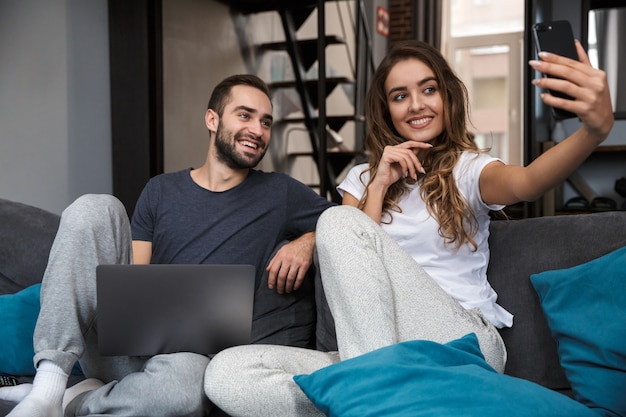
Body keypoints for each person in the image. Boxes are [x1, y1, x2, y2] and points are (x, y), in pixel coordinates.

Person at [203, 39, 614, 416]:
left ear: (447, 97)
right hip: (374, 351)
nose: (417, 105)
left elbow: (528, 182)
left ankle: (371, 398)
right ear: (387, 111)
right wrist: (379, 183)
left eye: (428, 89)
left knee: (335, 219)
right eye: (400, 96)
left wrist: (593, 132)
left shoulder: (468, 169)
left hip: (458, 344)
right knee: (227, 373)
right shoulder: (362, 179)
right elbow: (345, 262)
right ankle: (383, 397)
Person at [0, 74, 334, 417]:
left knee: (183, 393)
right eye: (245, 115)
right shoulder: (160, 190)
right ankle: (47, 386)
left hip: (184, 365)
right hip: (128, 346)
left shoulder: (281, 194)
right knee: (95, 208)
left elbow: (347, 222)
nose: (258, 130)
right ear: (212, 119)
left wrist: (308, 240)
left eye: (266, 122)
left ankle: (74, 400)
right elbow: (133, 280)